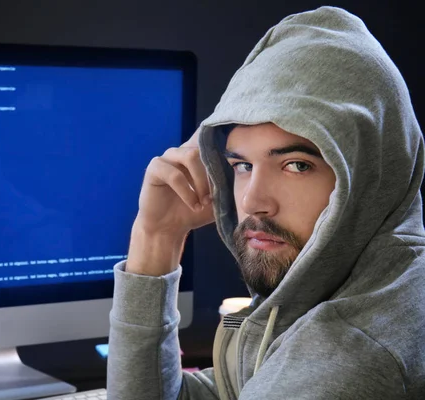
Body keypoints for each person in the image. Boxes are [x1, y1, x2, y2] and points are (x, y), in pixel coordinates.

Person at [107, 6, 425, 399]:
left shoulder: (346, 357)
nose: (254, 202)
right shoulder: (365, 283)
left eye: (296, 165)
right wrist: (157, 236)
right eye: (241, 165)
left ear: (369, 175)